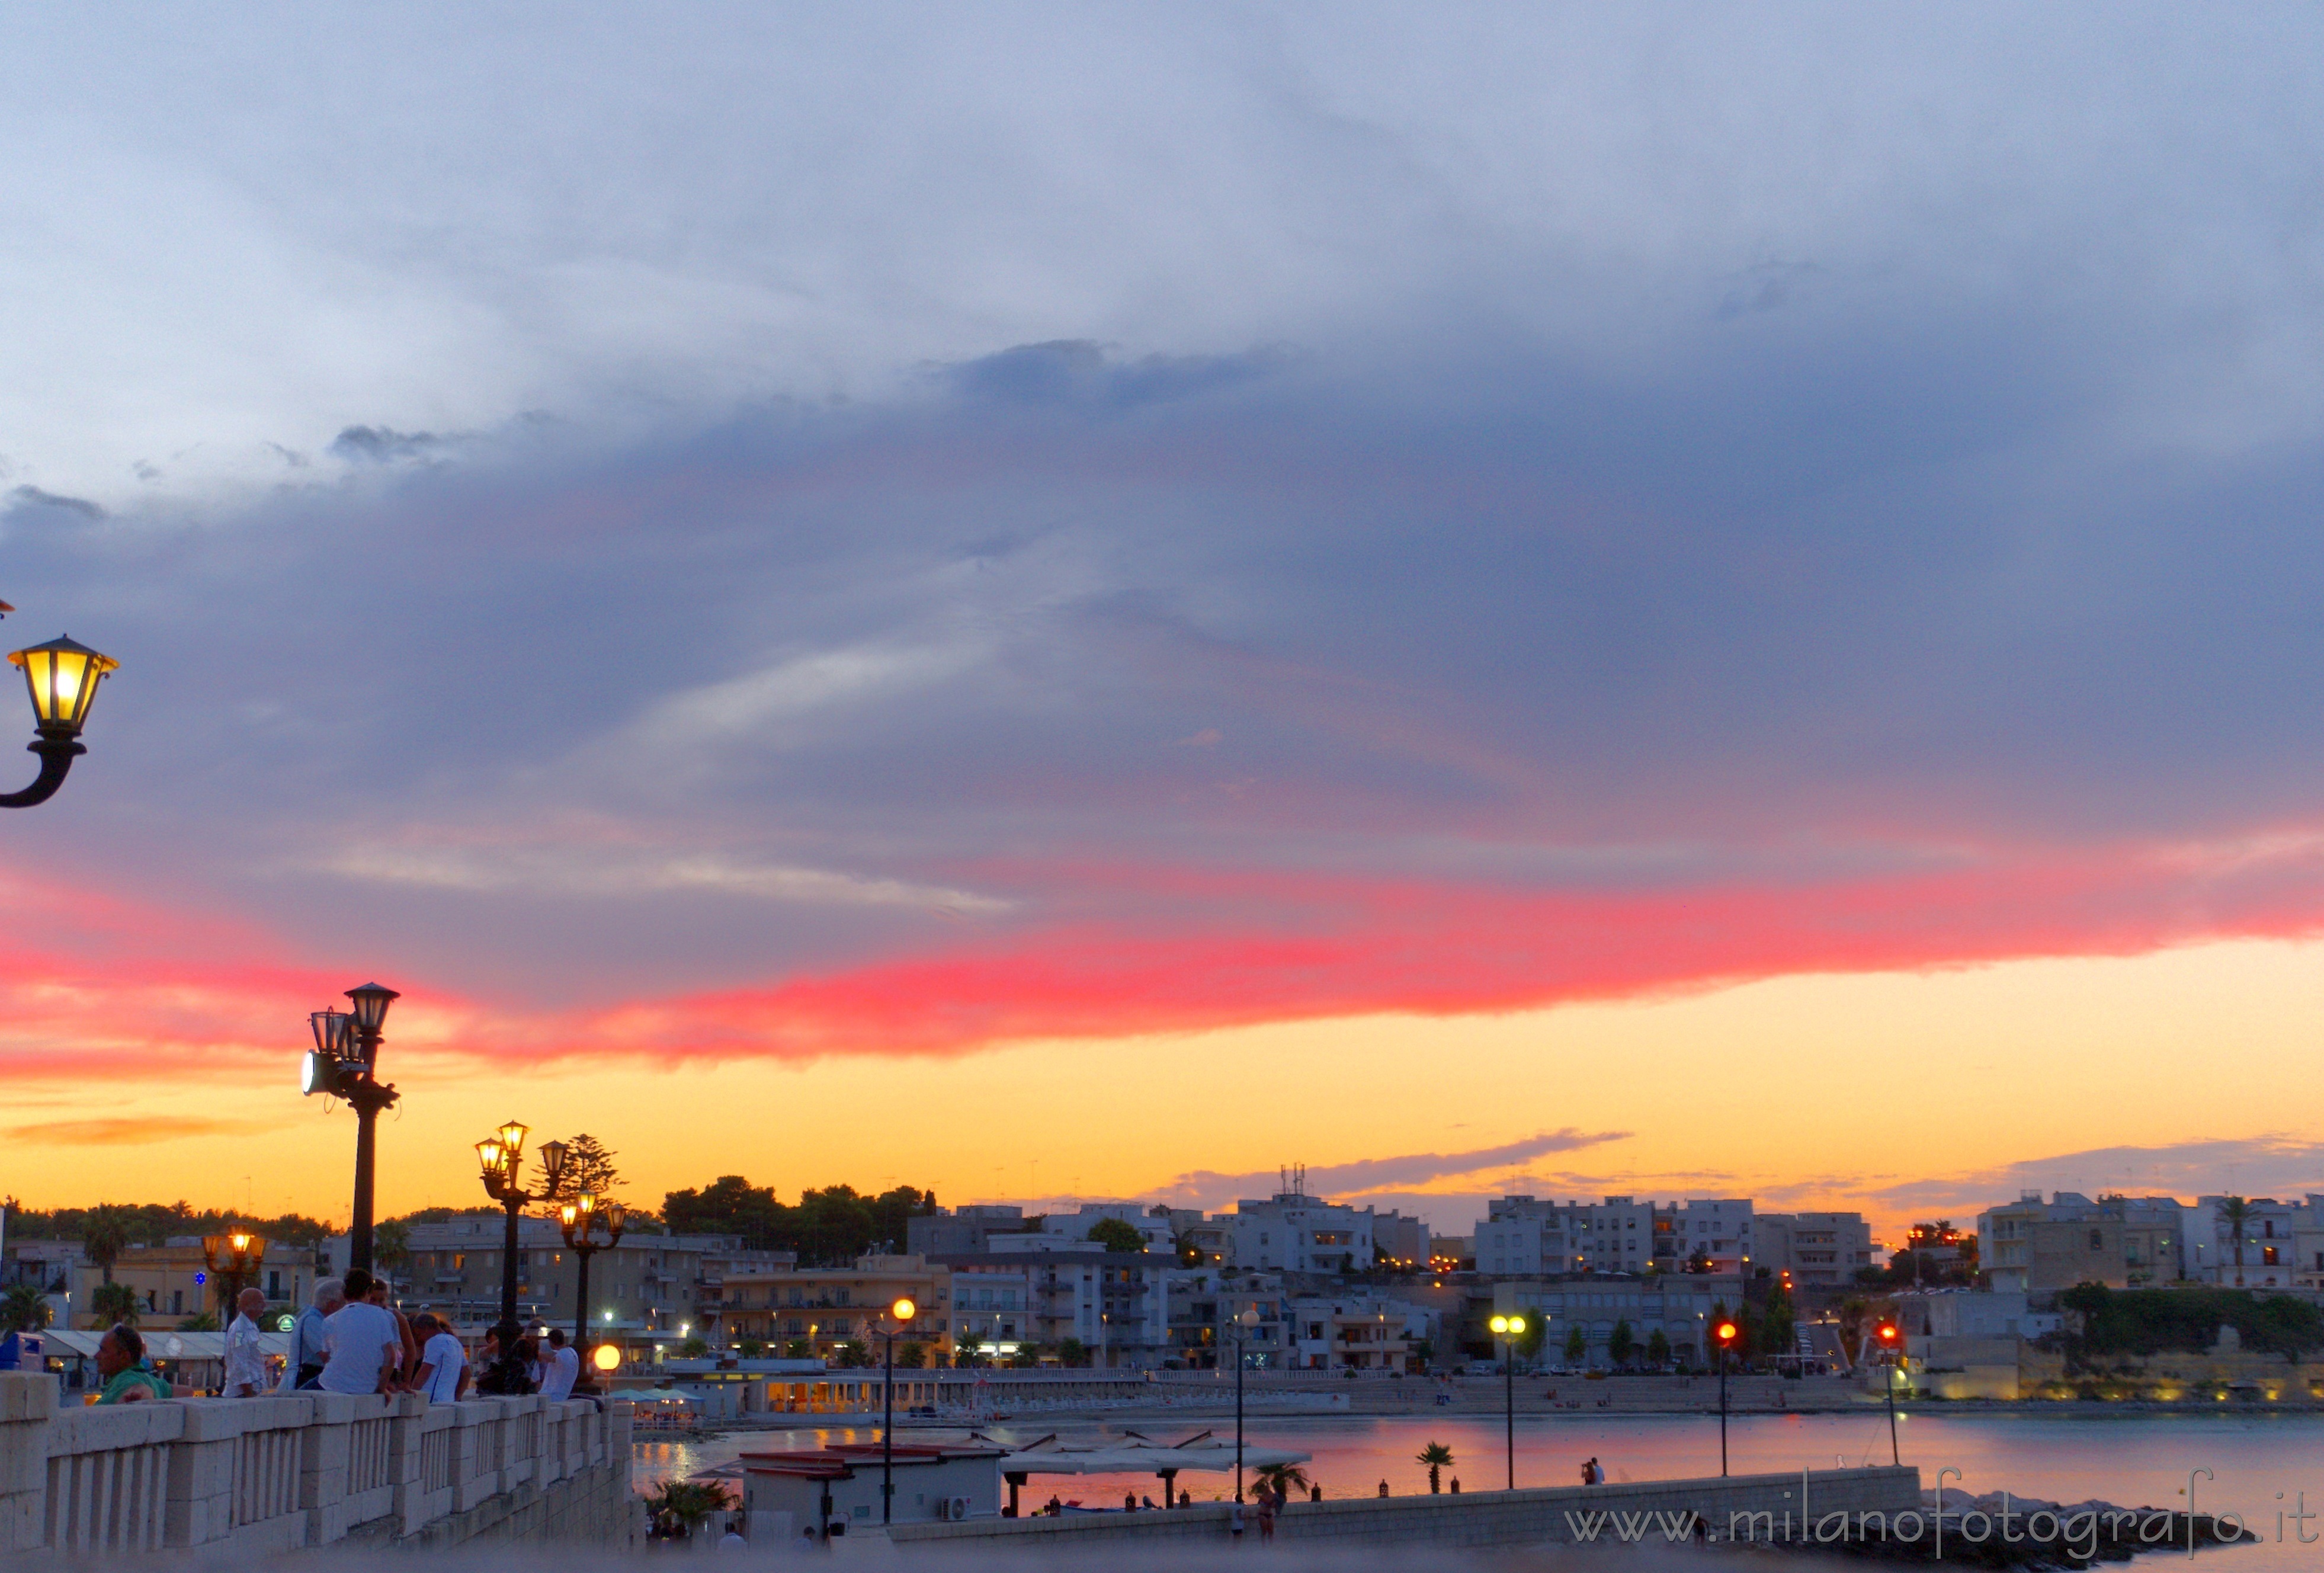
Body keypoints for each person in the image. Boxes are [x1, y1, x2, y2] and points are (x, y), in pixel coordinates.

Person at [319, 1268, 401, 1396]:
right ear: (368, 1291)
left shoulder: (330, 1320)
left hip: (333, 1384)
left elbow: (327, 1357)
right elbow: (390, 1357)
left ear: (344, 1292)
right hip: (368, 1386)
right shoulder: (381, 1315)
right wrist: (381, 1388)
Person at [279, 1280, 337, 1392]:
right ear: (332, 1305)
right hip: (302, 1380)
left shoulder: (315, 1318)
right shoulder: (313, 1321)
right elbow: (327, 1356)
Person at [364, 1274, 420, 1389]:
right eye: (373, 1300)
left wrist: (407, 1382)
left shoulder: (395, 1316)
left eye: (381, 1300)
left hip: (388, 1373)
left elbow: (410, 1350)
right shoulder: (358, 1314)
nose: (377, 1304)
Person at [94, 1324, 171, 1404]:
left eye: (103, 1350)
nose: (96, 1356)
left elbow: (139, 1388)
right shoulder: (156, 1383)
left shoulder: (124, 1380)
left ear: (124, 1357)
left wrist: (144, 1396)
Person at [224, 1286, 269, 1397]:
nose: (264, 1305)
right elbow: (239, 1362)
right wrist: (249, 1392)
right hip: (241, 1394)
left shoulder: (251, 1326)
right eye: (259, 1302)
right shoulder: (239, 1331)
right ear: (247, 1305)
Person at [412, 1313, 468, 1403]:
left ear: (426, 1328)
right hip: (448, 1400)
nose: (420, 1338)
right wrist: (457, 1398)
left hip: (432, 1399)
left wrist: (412, 1393)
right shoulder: (456, 1342)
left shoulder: (434, 1342)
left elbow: (425, 1371)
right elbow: (466, 1373)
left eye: (419, 1334)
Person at [538, 1327, 579, 1401]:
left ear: (551, 1342)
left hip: (553, 1397)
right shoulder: (572, 1352)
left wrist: (537, 1353)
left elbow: (550, 1357)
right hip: (562, 1395)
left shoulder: (562, 1355)